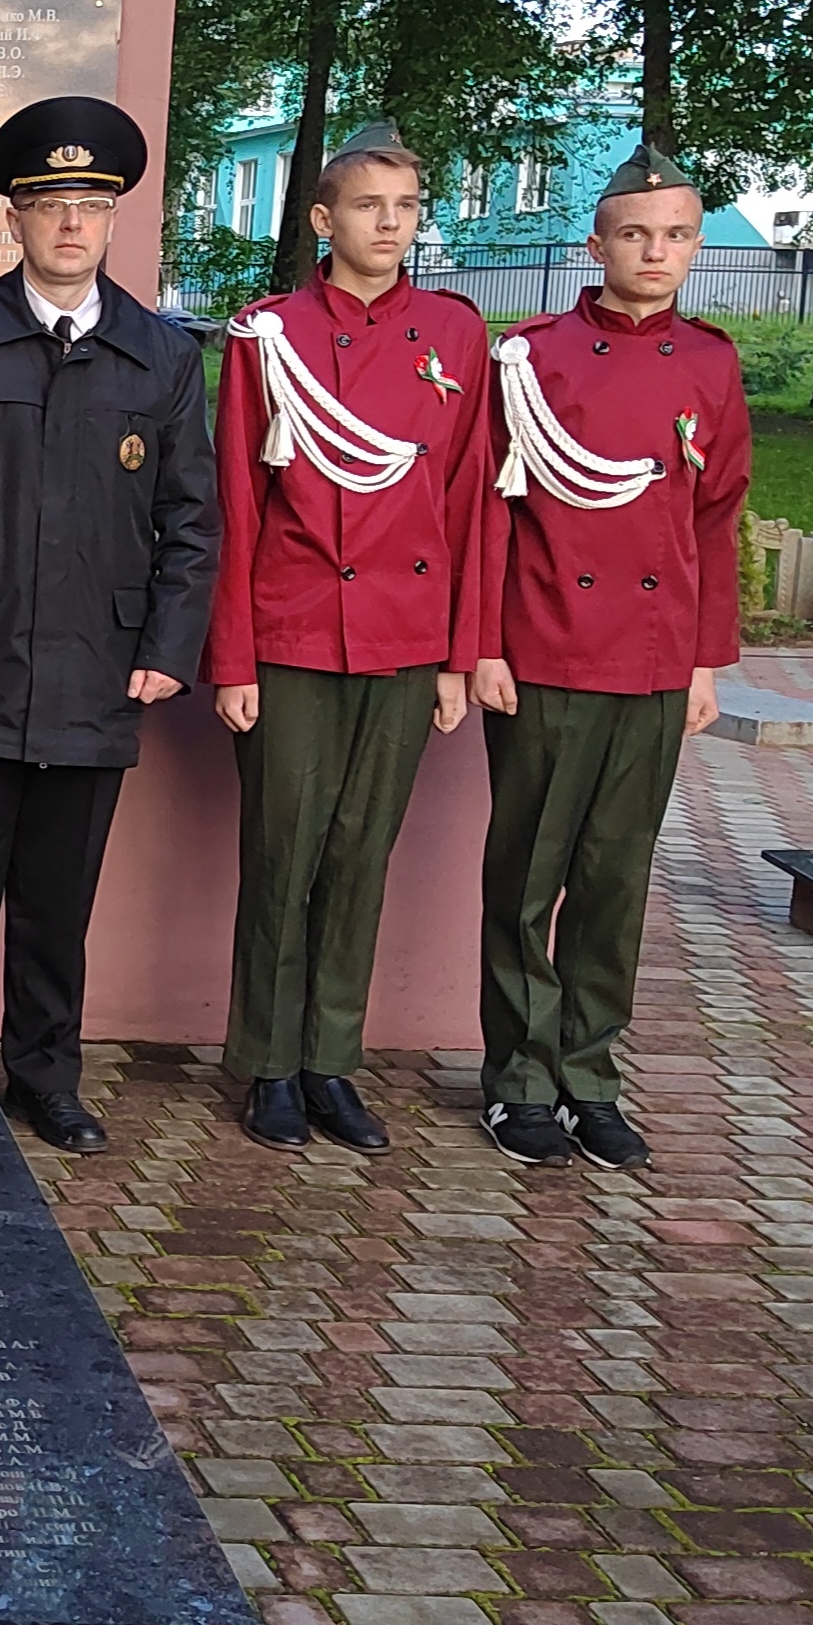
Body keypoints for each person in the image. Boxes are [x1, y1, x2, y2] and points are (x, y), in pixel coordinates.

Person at [0, 95, 218, 1153]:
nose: (69, 223)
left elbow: (190, 520)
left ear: (112, 219)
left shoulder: (158, 356)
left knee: (58, 898)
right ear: (13, 220)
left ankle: (43, 1073)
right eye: (47, 204)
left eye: (88, 204)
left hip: (95, 670)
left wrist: (165, 652)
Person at [205, 124, 490, 1154]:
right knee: (281, 853)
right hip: (289, 633)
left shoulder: (455, 336)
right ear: (322, 220)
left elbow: (466, 504)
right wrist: (229, 657)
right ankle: (267, 1063)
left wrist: (458, 655)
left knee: (360, 853)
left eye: (406, 207)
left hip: (402, 637)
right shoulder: (264, 335)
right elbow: (235, 500)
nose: (390, 224)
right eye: (369, 206)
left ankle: (331, 1060)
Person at [471, 142, 748, 1169]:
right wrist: (485, 644)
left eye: (675, 234)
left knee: (615, 877)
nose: (655, 250)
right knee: (525, 875)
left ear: (692, 247)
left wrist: (705, 659)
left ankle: (589, 1074)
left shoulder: (711, 363)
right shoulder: (531, 354)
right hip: (546, 648)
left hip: (652, 655)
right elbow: (491, 513)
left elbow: (712, 520)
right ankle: (515, 1080)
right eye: (634, 233)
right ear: (595, 244)